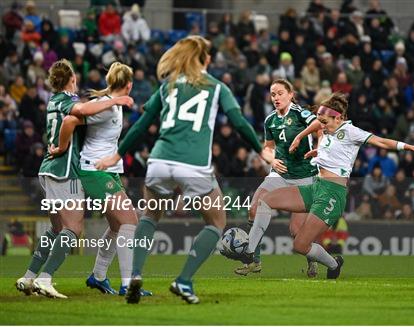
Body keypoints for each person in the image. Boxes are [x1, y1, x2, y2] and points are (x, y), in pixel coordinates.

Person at [95, 36, 273, 304]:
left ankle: (134, 276)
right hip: (193, 164)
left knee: (149, 217)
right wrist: (261, 150)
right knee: (216, 221)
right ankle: (184, 280)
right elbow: (238, 122)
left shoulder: (167, 85)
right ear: (205, 59)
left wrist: (116, 155)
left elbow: (142, 124)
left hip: (159, 160)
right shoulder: (217, 87)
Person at [236, 93, 414, 278]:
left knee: (300, 245)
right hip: (316, 187)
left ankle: (333, 264)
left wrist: (410, 147)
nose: (321, 126)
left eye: (324, 122)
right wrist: (314, 150)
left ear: (338, 118)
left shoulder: (350, 131)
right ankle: (250, 252)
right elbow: (323, 138)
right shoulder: (328, 132)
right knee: (265, 200)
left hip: (333, 193)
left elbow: (381, 142)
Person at [15, 59, 134, 298]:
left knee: (56, 229)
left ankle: (29, 277)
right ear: (72, 79)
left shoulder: (53, 101)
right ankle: (46, 279)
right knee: (73, 228)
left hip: (48, 170)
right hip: (64, 170)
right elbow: (76, 115)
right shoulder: (68, 101)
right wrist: (62, 146)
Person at [49, 62, 151, 297]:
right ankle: (127, 285)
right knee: (130, 221)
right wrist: (62, 148)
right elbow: (69, 121)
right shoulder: (105, 106)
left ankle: (98, 276)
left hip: (108, 171)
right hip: (94, 171)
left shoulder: (113, 105)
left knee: (117, 226)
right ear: (129, 85)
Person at [234, 79, 320, 277]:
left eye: (280, 93)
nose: (276, 98)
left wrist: (300, 137)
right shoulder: (270, 120)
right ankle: (253, 261)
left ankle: (312, 259)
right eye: (273, 95)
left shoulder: (300, 113)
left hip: (304, 176)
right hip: (279, 174)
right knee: (254, 208)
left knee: (296, 231)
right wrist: (271, 161)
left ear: (291, 94)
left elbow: (318, 123)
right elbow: (268, 148)